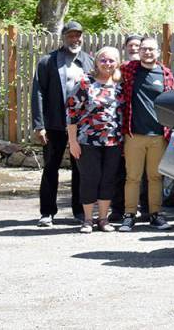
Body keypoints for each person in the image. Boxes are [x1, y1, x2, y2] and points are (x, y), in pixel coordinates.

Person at [31, 21, 94, 226]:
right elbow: (38, 93)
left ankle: (78, 210)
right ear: (63, 37)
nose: (75, 39)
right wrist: (39, 125)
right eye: (70, 36)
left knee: (80, 169)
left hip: (82, 125)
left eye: (78, 36)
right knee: (51, 167)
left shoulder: (89, 62)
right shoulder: (48, 61)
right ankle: (47, 212)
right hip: (55, 124)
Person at [118, 37, 174, 232]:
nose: (147, 52)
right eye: (144, 49)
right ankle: (129, 215)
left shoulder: (165, 74)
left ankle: (155, 215)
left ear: (158, 52)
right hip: (134, 134)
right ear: (138, 51)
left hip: (159, 135)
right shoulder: (128, 70)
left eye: (151, 49)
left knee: (156, 177)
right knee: (132, 177)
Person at [66, 46, 123, 233]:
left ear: (117, 62)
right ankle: (88, 220)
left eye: (111, 60)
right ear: (96, 61)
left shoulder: (120, 83)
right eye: (103, 60)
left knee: (108, 179)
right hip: (87, 141)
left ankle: (103, 219)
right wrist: (72, 142)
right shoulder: (85, 82)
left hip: (113, 141)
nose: (107, 64)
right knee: (90, 179)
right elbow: (71, 113)